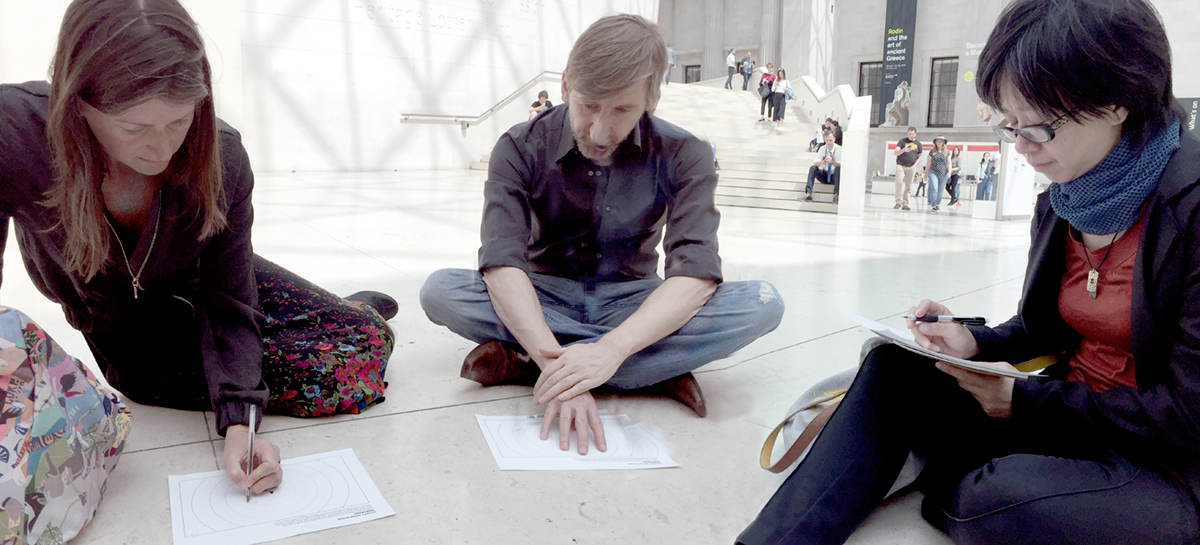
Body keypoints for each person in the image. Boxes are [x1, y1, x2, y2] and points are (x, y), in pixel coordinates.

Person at [738, 0, 1199, 543]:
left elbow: (1187, 414)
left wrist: (1024, 402)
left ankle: (947, 473)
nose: (1022, 147)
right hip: (1062, 414)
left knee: (996, 499)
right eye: (1010, 125)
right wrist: (972, 340)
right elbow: (1043, 331)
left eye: (1039, 127)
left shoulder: (1189, 211)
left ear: (1117, 101)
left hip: (1157, 458)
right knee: (893, 366)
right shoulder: (1066, 199)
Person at [0, 0, 397, 496]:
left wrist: (240, 424)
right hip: (131, 334)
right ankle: (313, 317)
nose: (162, 148)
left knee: (367, 338)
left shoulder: (221, 153)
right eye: (134, 128)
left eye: (178, 121)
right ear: (77, 103)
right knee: (340, 376)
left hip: (202, 280)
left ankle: (344, 311)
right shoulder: (15, 132)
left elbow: (229, 296)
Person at [420, 14, 784, 454]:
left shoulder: (684, 152)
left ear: (652, 100)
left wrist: (612, 350)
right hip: (542, 293)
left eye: (622, 111)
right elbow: (502, 264)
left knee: (763, 304)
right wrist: (573, 370)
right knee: (440, 291)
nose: (600, 132)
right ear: (565, 87)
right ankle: (649, 372)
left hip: (633, 299)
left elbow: (695, 273)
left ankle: (526, 362)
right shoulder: (519, 145)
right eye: (589, 105)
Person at [802, 130, 841, 204]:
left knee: (838, 169)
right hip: (824, 174)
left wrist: (832, 162)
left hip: (834, 176)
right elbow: (815, 162)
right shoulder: (822, 149)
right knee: (813, 168)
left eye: (830, 140)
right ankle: (808, 193)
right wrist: (821, 162)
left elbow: (842, 165)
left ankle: (836, 195)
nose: (828, 142)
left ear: (834, 139)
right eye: (827, 140)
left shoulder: (839, 149)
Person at [893, 126, 922, 210]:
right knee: (899, 183)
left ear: (915, 134)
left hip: (911, 166)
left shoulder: (918, 144)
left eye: (912, 134)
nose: (911, 136)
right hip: (901, 165)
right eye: (909, 134)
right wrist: (903, 150)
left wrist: (915, 165)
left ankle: (905, 203)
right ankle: (898, 202)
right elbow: (895, 153)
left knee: (908, 185)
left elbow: (919, 156)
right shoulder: (902, 141)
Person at [923, 135, 950, 211]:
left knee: (941, 190)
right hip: (933, 172)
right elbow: (928, 163)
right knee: (935, 188)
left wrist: (949, 171)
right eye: (938, 141)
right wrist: (925, 174)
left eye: (941, 141)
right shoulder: (932, 152)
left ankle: (938, 204)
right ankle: (933, 205)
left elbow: (949, 163)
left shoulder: (947, 152)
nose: (939, 143)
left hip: (943, 173)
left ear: (943, 143)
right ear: (935, 143)